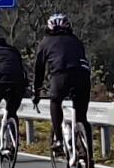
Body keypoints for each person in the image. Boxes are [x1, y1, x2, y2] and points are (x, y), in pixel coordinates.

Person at [32, 14, 91, 157]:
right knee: (82, 118)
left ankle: (58, 139)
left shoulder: (46, 42)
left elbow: (39, 68)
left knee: (56, 101)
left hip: (60, 76)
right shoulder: (76, 40)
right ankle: (89, 156)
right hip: (82, 76)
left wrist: (37, 90)